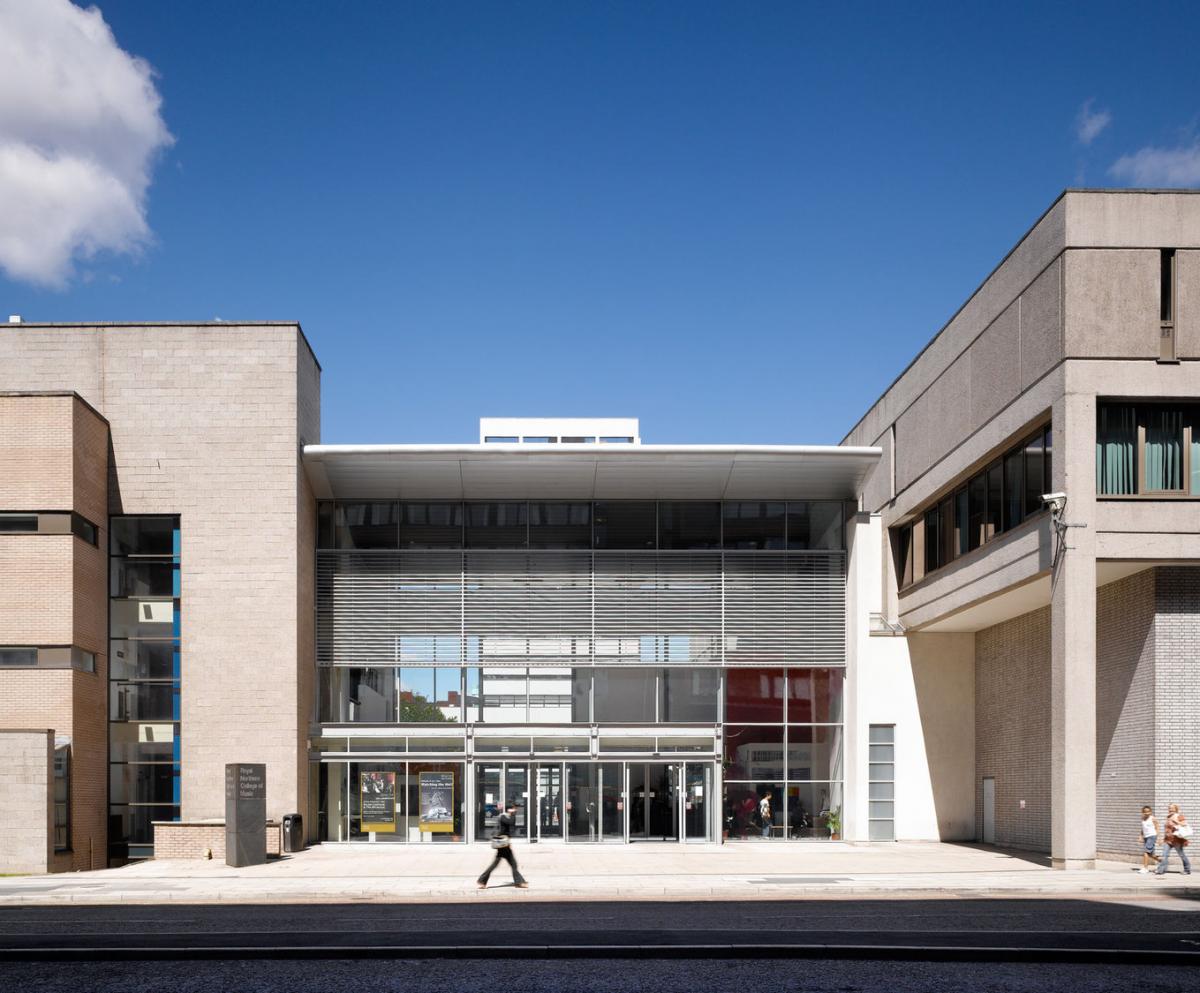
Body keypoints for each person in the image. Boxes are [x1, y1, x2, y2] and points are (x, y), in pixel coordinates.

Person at [478, 802, 528, 889]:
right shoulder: (503, 816)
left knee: (503, 864)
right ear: (509, 809)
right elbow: (511, 822)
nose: (515, 809)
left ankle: (482, 880)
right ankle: (519, 882)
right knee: (512, 864)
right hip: (503, 844)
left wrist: (512, 814)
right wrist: (513, 814)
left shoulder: (505, 816)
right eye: (513, 808)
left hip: (505, 844)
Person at [1155, 803, 1192, 876]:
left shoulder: (1179, 816)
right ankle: (1160, 870)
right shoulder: (1168, 817)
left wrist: (1176, 822)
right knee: (1164, 855)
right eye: (1169, 808)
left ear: (1176, 809)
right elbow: (1167, 830)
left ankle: (1187, 870)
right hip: (1168, 840)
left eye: (1172, 808)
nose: (1170, 809)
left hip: (1176, 840)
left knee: (1181, 855)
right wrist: (1163, 839)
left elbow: (1184, 824)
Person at [1138, 805, 1160, 874]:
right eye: (1144, 812)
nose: (1146, 813)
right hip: (1146, 837)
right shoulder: (1143, 818)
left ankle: (1145, 868)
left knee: (1146, 852)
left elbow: (1157, 828)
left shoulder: (1153, 818)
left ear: (1150, 812)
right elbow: (1143, 829)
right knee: (1150, 854)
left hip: (1152, 836)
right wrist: (1141, 836)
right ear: (1142, 812)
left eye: (1148, 812)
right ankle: (1162, 861)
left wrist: (1158, 838)